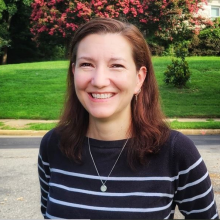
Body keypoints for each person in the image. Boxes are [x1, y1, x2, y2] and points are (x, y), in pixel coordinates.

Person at [38, 18, 219, 219]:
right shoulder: (53, 145)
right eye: (87, 64)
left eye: (116, 65)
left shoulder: (176, 152)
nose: (99, 81)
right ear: (73, 72)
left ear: (139, 78)